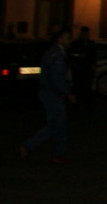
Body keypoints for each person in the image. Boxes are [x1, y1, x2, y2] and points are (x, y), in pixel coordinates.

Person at [20, 27, 76, 162]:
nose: (70, 41)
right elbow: (57, 78)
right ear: (60, 39)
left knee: (61, 125)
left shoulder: (54, 53)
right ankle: (28, 145)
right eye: (68, 38)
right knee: (55, 124)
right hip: (52, 93)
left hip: (51, 92)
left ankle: (58, 154)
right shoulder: (56, 56)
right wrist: (67, 93)